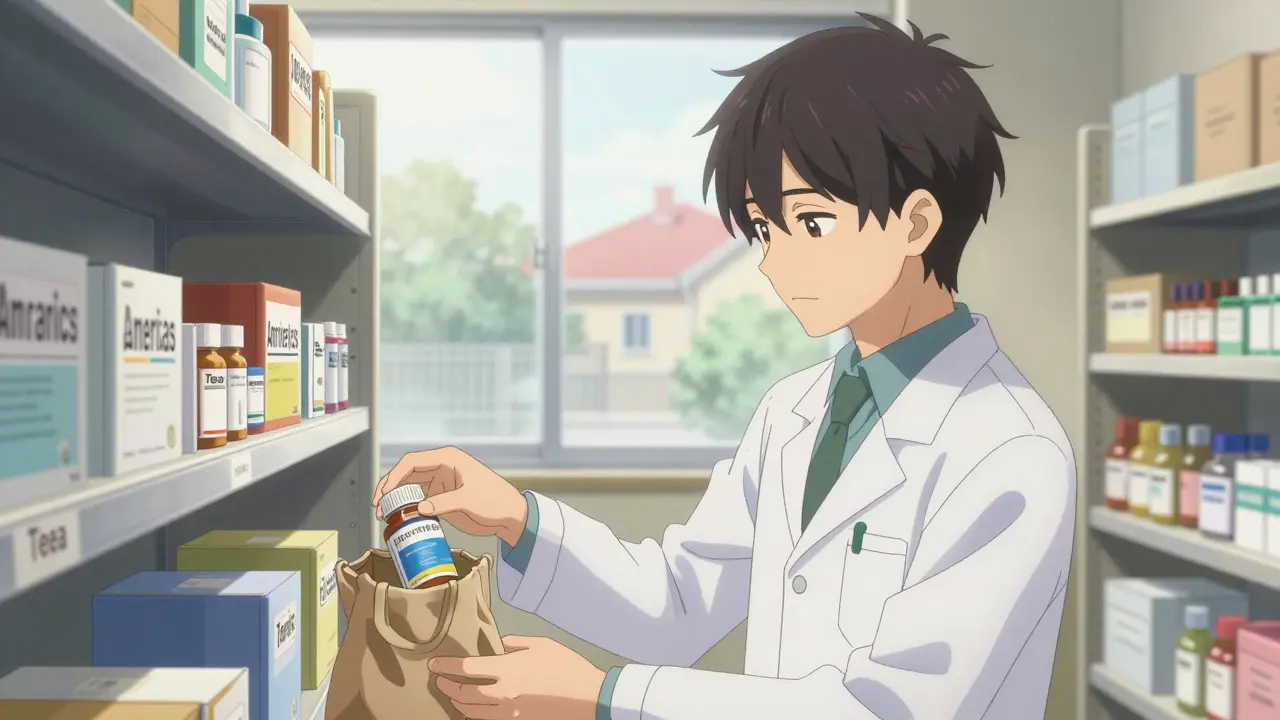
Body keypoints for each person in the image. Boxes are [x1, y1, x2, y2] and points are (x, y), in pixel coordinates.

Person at [375, 14, 1076, 720]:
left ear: (916, 223)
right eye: (764, 228)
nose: (773, 260)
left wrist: (604, 694)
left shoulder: (1010, 451)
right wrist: (516, 519)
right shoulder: (793, 411)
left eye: (811, 222)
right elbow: (678, 602)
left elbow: (888, 709)